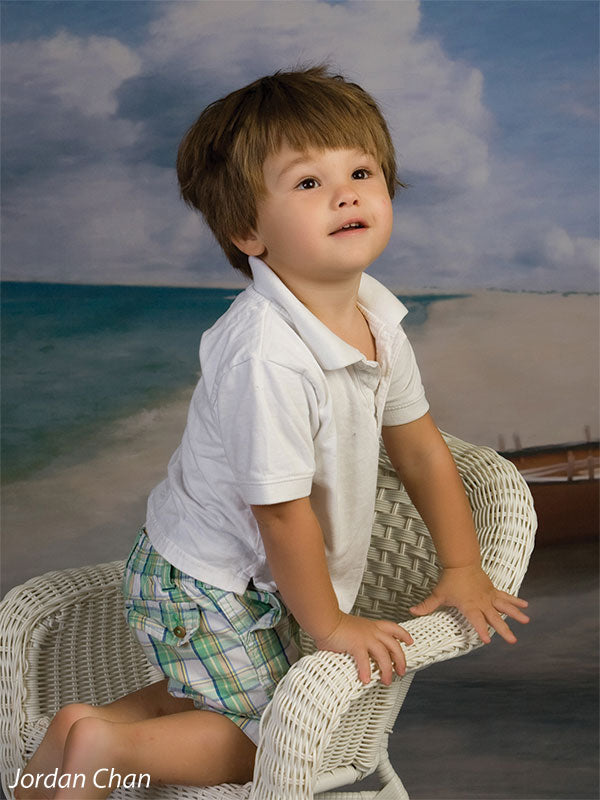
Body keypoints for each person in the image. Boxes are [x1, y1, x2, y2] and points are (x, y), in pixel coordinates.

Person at [15, 64, 529, 799]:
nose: (347, 192)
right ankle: (106, 746)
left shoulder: (378, 316)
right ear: (247, 231)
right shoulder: (267, 356)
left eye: (360, 170)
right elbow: (281, 512)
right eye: (309, 183)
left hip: (246, 571)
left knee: (212, 705)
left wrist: (461, 566)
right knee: (274, 743)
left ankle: (78, 734)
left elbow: (419, 448)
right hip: (208, 583)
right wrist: (331, 627)